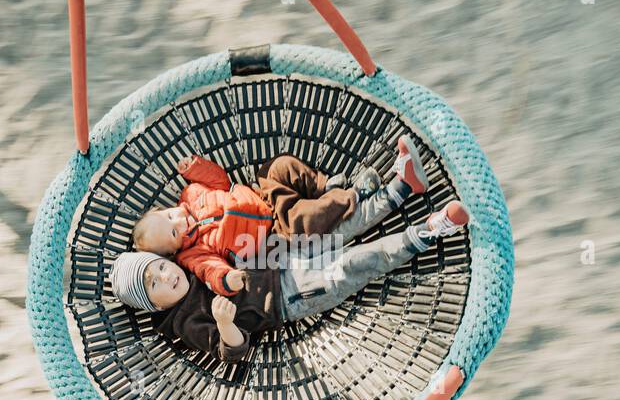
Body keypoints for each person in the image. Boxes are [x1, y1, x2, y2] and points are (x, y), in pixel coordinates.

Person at [110, 183, 470, 363]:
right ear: (154, 306)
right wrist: (223, 323)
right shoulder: (186, 321)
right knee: (349, 265)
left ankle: (398, 189)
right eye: (153, 286)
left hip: (275, 251)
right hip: (285, 297)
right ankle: (425, 233)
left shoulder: (190, 258)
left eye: (157, 268)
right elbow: (232, 352)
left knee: (336, 231)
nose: (163, 277)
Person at [129, 137, 430, 296]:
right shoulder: (193, 254)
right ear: (174, 250)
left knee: (277, 167)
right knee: (305, 221)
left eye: (169, 216)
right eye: (172, 232)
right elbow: (210, 271)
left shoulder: (191, 195)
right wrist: (228, 278)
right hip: (271, 237)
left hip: (262, 198)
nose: (178, 221)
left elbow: (220, 180)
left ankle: (325, 184)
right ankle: (356, 195)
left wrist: (194, 168)